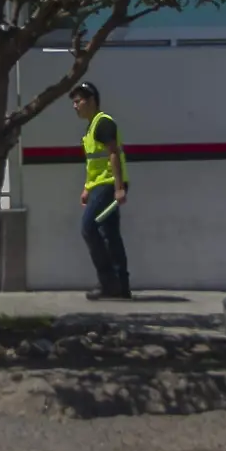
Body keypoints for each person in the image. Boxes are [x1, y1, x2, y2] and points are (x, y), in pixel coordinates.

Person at [70, 82, 130, 300]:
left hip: (108, 186)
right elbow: (94, 163)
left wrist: (119, 188)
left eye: (78, 101)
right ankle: (121, 286)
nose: (75, 106)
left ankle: (108, 283)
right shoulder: (91, 127)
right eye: (74, 102)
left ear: (92, 100)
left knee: (88, 228)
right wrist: (86, 188)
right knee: (110, 234)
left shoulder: (103, 123)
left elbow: (113, 154)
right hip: (100, 186)